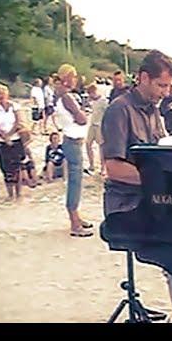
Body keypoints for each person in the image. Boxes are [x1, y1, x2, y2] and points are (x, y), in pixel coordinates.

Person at [101, 49, 172, 323]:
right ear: (143, 78)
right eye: (161, 85)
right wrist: (158, 181)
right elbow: (113, 168)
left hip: (155, 199)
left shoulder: (154, 110)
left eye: (169, 86)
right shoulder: (119, 110)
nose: (165, 92)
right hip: (127, 204)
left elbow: (162, 151)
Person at [56, 63, 92, 237]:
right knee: (75, 182)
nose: (76, 79)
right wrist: (82, 114)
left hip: (71, 139)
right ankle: (74, 222)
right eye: (74, 76)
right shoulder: (67, 97)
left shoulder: (62, 95)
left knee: (75, 181)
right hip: (73, 140)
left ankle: (76, 216)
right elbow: (82, 118)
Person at [0, 84, 24, 201]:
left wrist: (10, 134)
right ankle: (10, 193)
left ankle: (19, 192)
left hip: (15, 138)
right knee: (5, 167)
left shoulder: (15, 106)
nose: (1, 96)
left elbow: (18, 122)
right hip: (1, 139)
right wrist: (4, 137)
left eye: (2, 93)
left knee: (17, 166)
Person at [85, 83, 108, 176]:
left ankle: (103, 167)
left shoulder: (103, 101)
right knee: (88, 143)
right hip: (92, 124)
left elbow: (107, 113)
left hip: (100, 125)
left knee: (101, 147)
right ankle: (91, 165)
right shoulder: (92, 101)